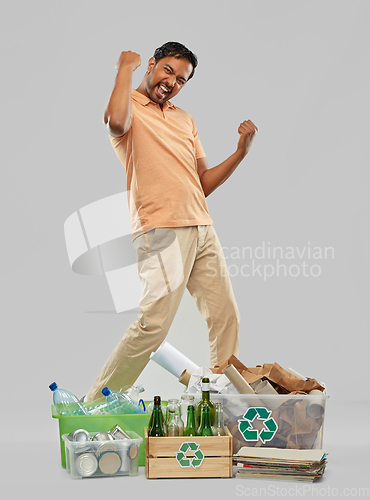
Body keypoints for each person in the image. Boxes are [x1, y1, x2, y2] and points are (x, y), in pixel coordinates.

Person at [86, 42, 257, 402]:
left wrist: (240, 153)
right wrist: (124, 68)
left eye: (181, 79)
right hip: (160, 229)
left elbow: (203, 182)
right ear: (152, 64)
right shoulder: (128, 104)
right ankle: (95, 405)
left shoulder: (184, 119)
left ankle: (223, 402)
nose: (172, 82)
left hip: (201, 227)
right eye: (167, 70)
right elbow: (116, 123)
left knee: (226, 316)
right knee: (154, 327)